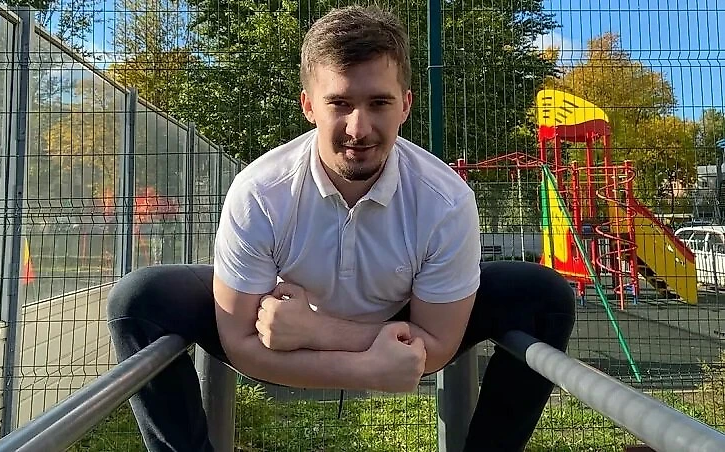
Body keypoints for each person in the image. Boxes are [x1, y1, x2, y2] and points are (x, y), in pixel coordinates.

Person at [107, 5, 575, 452]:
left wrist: (317, 331)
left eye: (378, 103)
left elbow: (434, 345)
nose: (359, 127)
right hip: (279, 319)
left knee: (542, 295)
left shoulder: (446, 200)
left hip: (384, 320)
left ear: (405, 105)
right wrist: (369, 368)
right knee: (140, 299)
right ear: (309, 105)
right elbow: (243, 345)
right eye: (340, 103)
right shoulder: (260, 192)